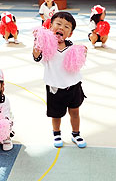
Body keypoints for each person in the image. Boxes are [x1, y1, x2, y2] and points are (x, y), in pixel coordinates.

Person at [33, 12, 87, 148]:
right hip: (55, 87)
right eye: (58, 24)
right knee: (56, 114)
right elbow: (36, 56)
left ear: (71, 33)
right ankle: (56, 134)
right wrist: (37, 42)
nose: (62, 28)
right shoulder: (47, 49)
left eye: (67, 26)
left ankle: (76, 134)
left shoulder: (72, 48)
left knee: (75, 112)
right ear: (51, 27)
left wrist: (84, 53)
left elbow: (78, 63)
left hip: (74, 86)